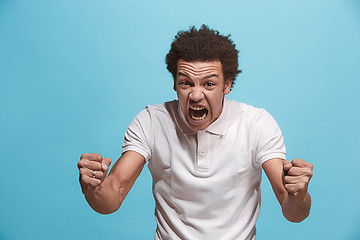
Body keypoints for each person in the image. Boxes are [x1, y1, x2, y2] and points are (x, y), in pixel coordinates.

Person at [77, 25, 313, 240]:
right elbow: (112, 196)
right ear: (175, 84)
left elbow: (292, 210)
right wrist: (93, 189)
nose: (196, 95)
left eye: (209, 84)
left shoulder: (256, 123)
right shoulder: (151, 121)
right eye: (186, 83)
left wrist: (298, 194)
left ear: (227, 85)